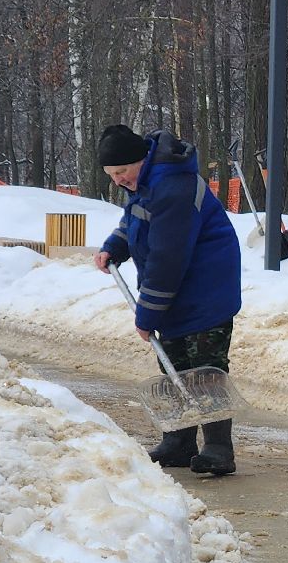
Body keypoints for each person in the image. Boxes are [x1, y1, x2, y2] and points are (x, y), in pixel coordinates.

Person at [93, 123, 244, 475]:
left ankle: (219, 448)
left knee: (205, 368)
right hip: (177, 289)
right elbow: (135, 218)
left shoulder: (173, 186)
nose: (118, 181)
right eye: (111, 175)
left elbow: (167, 258)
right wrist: (115, 245)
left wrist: (147, 314)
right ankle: (178, 441)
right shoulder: (145, 182)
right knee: (173, 361)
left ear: (140, 160)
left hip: (206, 288)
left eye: (122, 172)